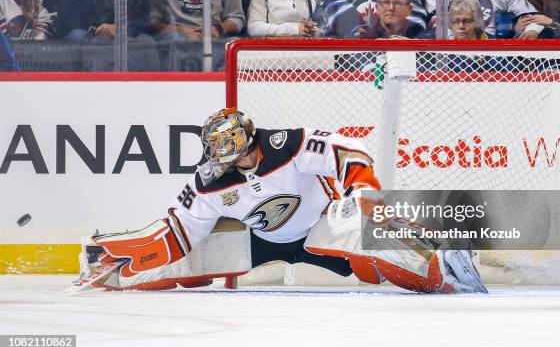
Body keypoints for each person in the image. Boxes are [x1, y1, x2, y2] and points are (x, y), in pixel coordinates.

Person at [72, 108, 487, 294]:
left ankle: (445, 265)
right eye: (214, 150)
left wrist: (361, 192)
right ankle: (108, 269)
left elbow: (350, 153)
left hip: (319, 226)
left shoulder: (288, 144)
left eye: (227, 148)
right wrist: (126, 253)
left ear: (247, 141)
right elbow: (177, 233)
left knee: (363, 240)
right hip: (261, 238)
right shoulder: (210, 181)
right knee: (189, 264)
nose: (219, 158)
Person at [358, 0, 429, 38]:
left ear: (409, 9)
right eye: (386, 2)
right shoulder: (365, 37)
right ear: (377, 8)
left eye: (398, 3)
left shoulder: (419, 36)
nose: (391, 8)